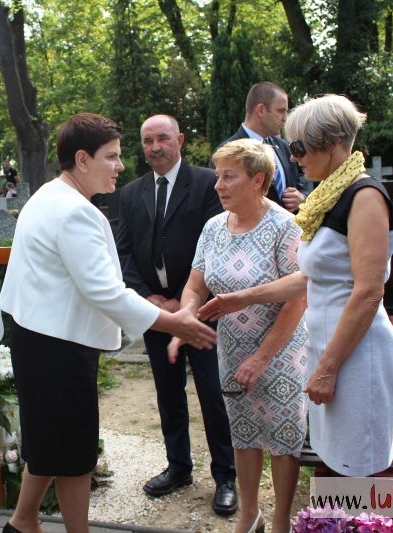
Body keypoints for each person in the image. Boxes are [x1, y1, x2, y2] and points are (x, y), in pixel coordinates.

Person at [0, 113, 217, 533]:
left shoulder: (49, 195)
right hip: (58, 346)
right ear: (83, 160)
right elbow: (105, 292)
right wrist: (174, 324)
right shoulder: (73, 212)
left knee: (49, 441)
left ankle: (23, 522)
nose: (121, 165)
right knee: (74, 453)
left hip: (39, 337)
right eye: (111, 157)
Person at [203, 94, 393, 478]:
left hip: (353, 354)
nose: (293, 157)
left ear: (332, 143)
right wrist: (241, 298)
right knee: (334, 465)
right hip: (326, 349)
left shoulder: (365, 198)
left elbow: (368, 292)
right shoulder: (330, 196)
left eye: (299, 147)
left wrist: (328, 368)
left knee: (357, 472)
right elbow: (311, 276)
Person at [170, 139, 307, 533]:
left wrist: (262, 357)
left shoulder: (285, 226)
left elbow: (298, 298)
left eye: (229, 177)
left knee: (283, 437)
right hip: (231, 347)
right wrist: (185, 317)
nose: (218, 185)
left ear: (257, 180)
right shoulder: (214, 227)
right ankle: (250, 515)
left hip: (281, 351)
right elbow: (195, 285)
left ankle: (280, 521)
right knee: (243, 434)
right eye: (218, 176)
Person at [116, 114, 237, 514]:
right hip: (154, 312)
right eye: (147, 141)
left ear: (180, 140)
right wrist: (148, 298)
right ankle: (179, 466)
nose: (155, 147)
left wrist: (185, 302)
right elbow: (124, 251)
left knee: (212, 395)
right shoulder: (130, 193)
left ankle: (226, 475)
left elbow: (216, 246)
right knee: (168, 393)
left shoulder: (207, 184)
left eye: (162, 138)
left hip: (202, 310)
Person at [215, 82, 306, 212]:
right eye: (281, 111)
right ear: (261, 110)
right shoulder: (227, 152)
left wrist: (301, 198)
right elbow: (221, 203)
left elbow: (298, 184)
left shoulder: (283, 146)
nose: (285, 118)